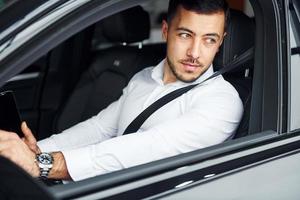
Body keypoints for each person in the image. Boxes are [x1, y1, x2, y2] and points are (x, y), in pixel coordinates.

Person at [0, 0, 243, 181]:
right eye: (185, 35)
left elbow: (147, 148)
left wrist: (42, 164)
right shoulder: (143, 78)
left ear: (221, 41)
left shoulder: (221, 101)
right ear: (167, 31)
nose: (195, 53)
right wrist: (35, 150)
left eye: (209, 39)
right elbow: (98, 128)